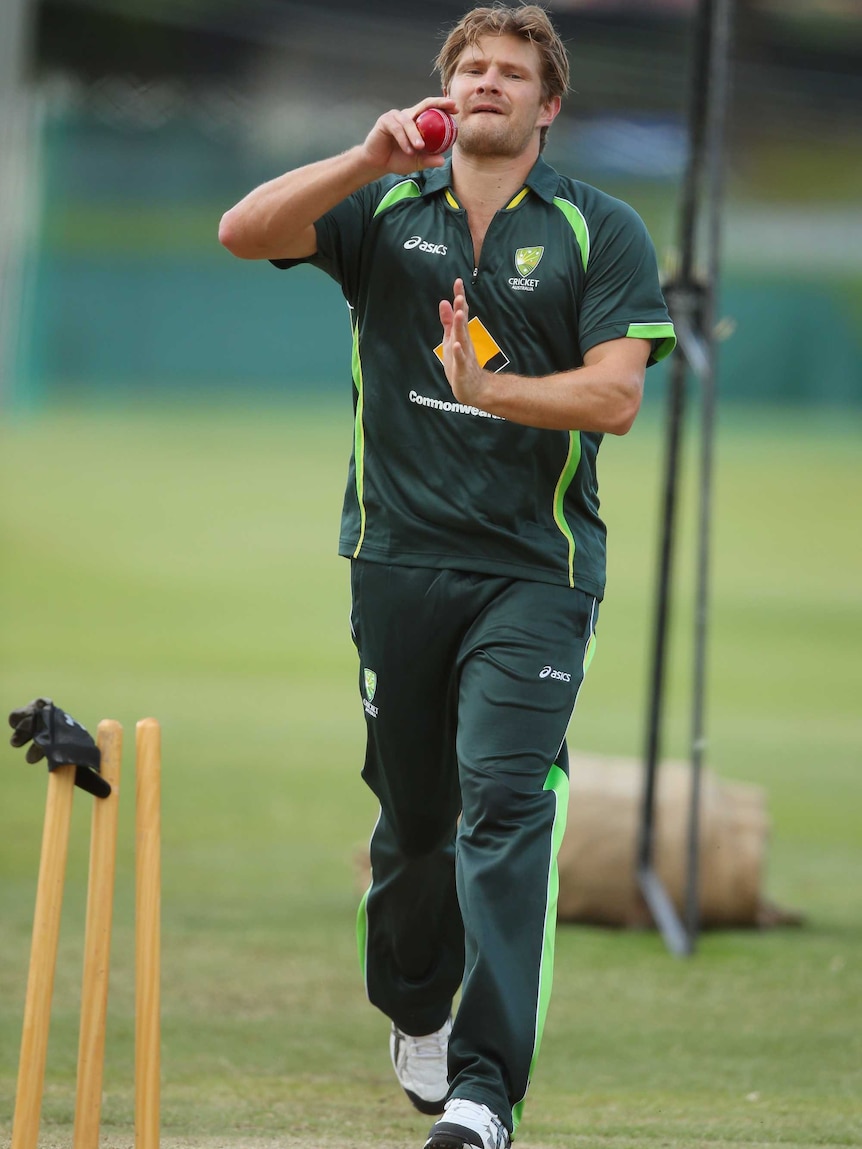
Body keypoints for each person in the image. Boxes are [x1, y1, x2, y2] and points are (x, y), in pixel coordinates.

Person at [219, 5, 675, 1147]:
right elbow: (241, 231)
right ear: (444, 93)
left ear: (545, 105)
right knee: (416, 822)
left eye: (511, 73)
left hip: (535, 571)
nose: (486, 84)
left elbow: (615, 397)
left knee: (507, 807)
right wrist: (368, 156)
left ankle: (484, 1091)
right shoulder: (380, 207)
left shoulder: (597, 227)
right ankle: (415, 1005)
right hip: (396, 563)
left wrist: (497, 390)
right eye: (470, 68)